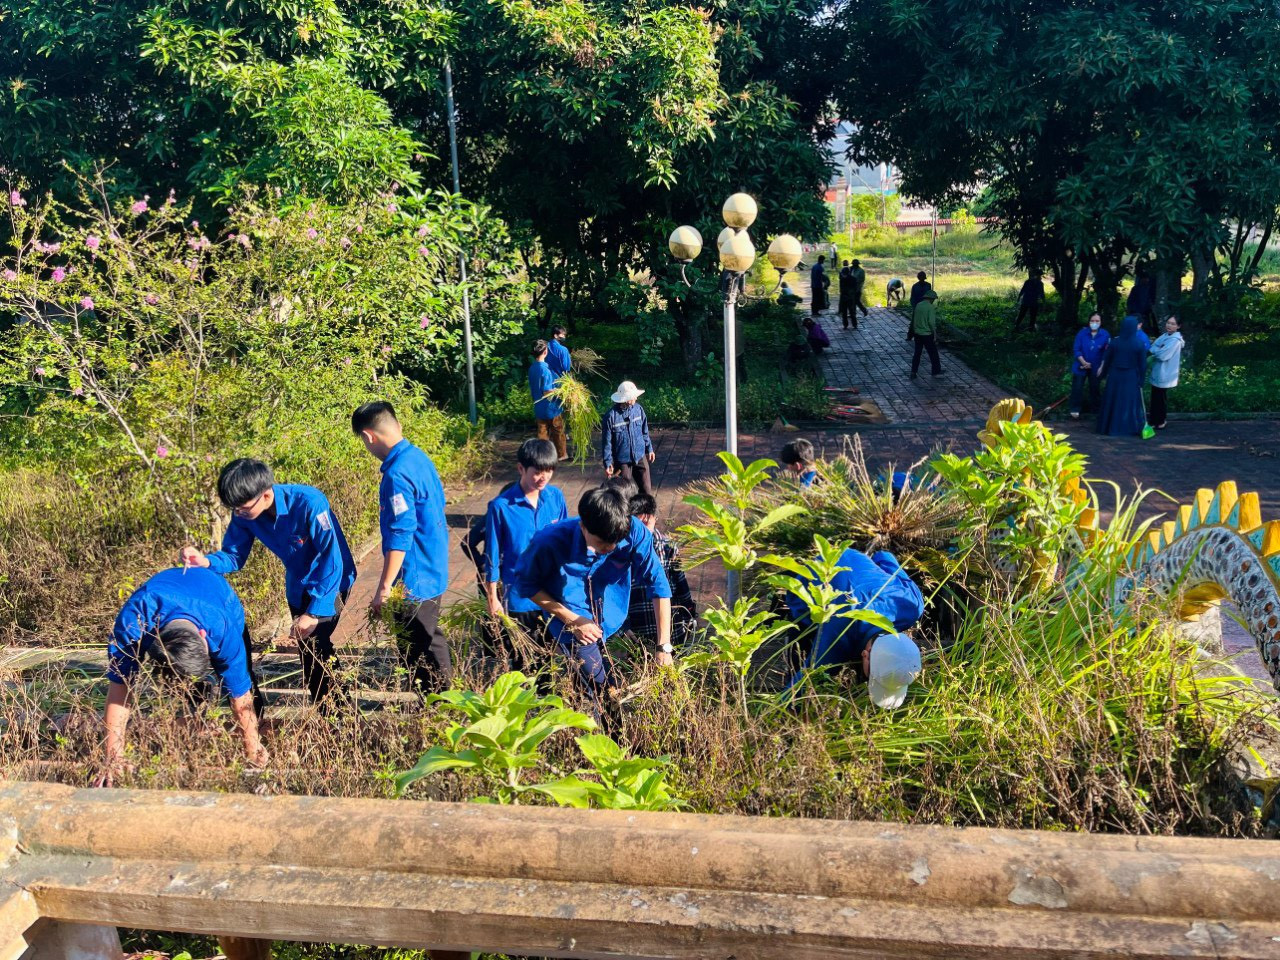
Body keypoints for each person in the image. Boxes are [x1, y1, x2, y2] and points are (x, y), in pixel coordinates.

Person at [179, 459, 356, 705]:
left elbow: (331, 558)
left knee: (315, 649)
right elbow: (233, 555)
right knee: (310, 654)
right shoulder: (245, 515)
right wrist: (205, 562)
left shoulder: (310, 503)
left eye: (242, 507)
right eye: (235, 509)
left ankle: (340, 718)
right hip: (298, 586)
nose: (238, 513)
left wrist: (314, 612)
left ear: (265, 494)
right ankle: (334, 714)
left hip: (332, 582)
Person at [98, 567, 266, 785]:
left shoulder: (223, 629)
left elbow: (240, 696)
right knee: (186, 699)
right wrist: (113, 757)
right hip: (163, 600)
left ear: (204, 637)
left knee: (241, 679)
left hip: (220, 597)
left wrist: (252, 750)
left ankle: (255, 733)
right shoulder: (134, 621)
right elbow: (119, 688)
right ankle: (190, 734)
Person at [514, 487, 673, 706]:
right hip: (572, 621)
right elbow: (525, 585)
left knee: (613, 686)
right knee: (600, 692)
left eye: (614, 543)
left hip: (612, 615)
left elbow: (659, 585)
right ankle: (597, 732)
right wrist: (573, 620)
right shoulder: (549, 541)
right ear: (583, 526)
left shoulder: (634, 531)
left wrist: (663, 646)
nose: (608, 549)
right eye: (600, 544)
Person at [351, 401, 453, 694]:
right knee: (432, 637)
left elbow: (401, 533)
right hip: (433, 566)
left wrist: (384, 588)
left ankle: (435, 708)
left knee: (416, 650)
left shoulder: (396, 475)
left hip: (413, 578)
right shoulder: (418, 457)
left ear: (369, 436)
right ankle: (449, 698)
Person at [782, 546, 925, 706]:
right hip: (817, 571)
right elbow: (798, 689)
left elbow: (885, 556)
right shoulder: (838, 636)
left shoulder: (912, 606)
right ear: (865, 655)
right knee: (804, 623)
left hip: (853, 554)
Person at [483, 439, 568, 667]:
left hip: (551, 593)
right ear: (521, 468)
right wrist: (492, 598)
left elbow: (566, 541)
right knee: (524, 660)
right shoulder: (500, 507)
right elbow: (491, 556)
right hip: (520, 597)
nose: (544, 478)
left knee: (549, 658)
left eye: (549, 471)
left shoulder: (555, 498)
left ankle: (546, 702)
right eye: (538, 472)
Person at [625, 493, 696, 648]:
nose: (643, 530)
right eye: (638, 525)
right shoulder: (624, 550)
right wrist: (624, 625)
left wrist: (689, 611)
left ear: (655, 518)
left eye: (646, 523)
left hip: (670, 626)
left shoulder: (668, 546)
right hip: (638, 625)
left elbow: (680, 582)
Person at [1095, 315, 1149, 437]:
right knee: (1128, 402)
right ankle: (1129, 428)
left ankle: (1108, 427)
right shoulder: (1139, 344)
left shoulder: (1115, 342)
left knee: (1113, 401)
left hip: (1115, 376)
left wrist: (1103, 375)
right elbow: (1143, 365)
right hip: (1131, 377)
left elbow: (1107, 360)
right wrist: (1141, 380)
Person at [601, 380, 656, 495]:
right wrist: (608, 462)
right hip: (622, 461)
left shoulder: (638, 410)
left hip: (640, 456)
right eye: (634, 396)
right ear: (627, 399)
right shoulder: (610, 417)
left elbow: (644, 431)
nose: (636, 399)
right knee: (624, 493)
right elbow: (607, 443)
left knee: (646, 490)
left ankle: (645, 512)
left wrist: (649, 449)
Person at [529, 339, 568, 460]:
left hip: (538, 406)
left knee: (542, 433)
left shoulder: (532, 368)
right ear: (545, 352)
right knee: (558, 431)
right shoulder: (545, 370)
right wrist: (561, 391)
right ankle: (562, 455)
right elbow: (547, 391)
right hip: (551, 407)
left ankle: (543, 456)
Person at [1069, 313, 1109, 420]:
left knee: (1095, 388)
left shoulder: (1105, 335)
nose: (1094, 323)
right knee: (1077, 387)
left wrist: (1102, 367)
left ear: (1101, 322)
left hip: (1096, 366)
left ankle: (1096, 411)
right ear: (1089, 321)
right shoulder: (1082, 333)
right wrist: (1083, 362)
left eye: (1097, 321)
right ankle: (1075, 409)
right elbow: (1076, 349)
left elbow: (1106, 352)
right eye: (1092, 321)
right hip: (1081, 364)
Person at [1148, 315, 1184, 430]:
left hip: (1165, 372)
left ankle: (1161, 420)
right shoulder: (1164, 336)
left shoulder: (1175, 341)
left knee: (1161, 398)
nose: (1169, 325)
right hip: (1157, 371)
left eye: (1173, 324)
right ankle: (1153, 420)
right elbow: (1152, 347)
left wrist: (1157, 350)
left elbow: (1163, 355)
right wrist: (1157, 349)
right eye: (1168, 323)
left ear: (1178, 326)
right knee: (1155, 397)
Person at [909, 289, 942, 378]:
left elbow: (914, 320)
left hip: (917, 334)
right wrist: (935, 334)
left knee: (917, 354)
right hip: (927, 334)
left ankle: (913, 371)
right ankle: (936, 371)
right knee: (933, 353)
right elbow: (931, 322)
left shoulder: (918, 305)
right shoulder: (930, 307)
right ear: (931, 299)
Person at [849, 258, 869, 322]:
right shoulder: (852, 269)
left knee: (856, 301)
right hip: (851, 288)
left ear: (857, 265)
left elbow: (861, 280)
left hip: (857, 288)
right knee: (853, 302)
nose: (852, 265)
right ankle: (853, 313)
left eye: (854, 264)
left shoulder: (861, 271)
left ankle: (864, 310)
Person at [837, 260, 855, 329]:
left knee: (847, 312)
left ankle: (847, 325)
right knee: (849, 312)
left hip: (846, 297)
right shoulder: (852, 279)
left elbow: (842, 289)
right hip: (849, 297)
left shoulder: (843, 279)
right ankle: (852, 324)